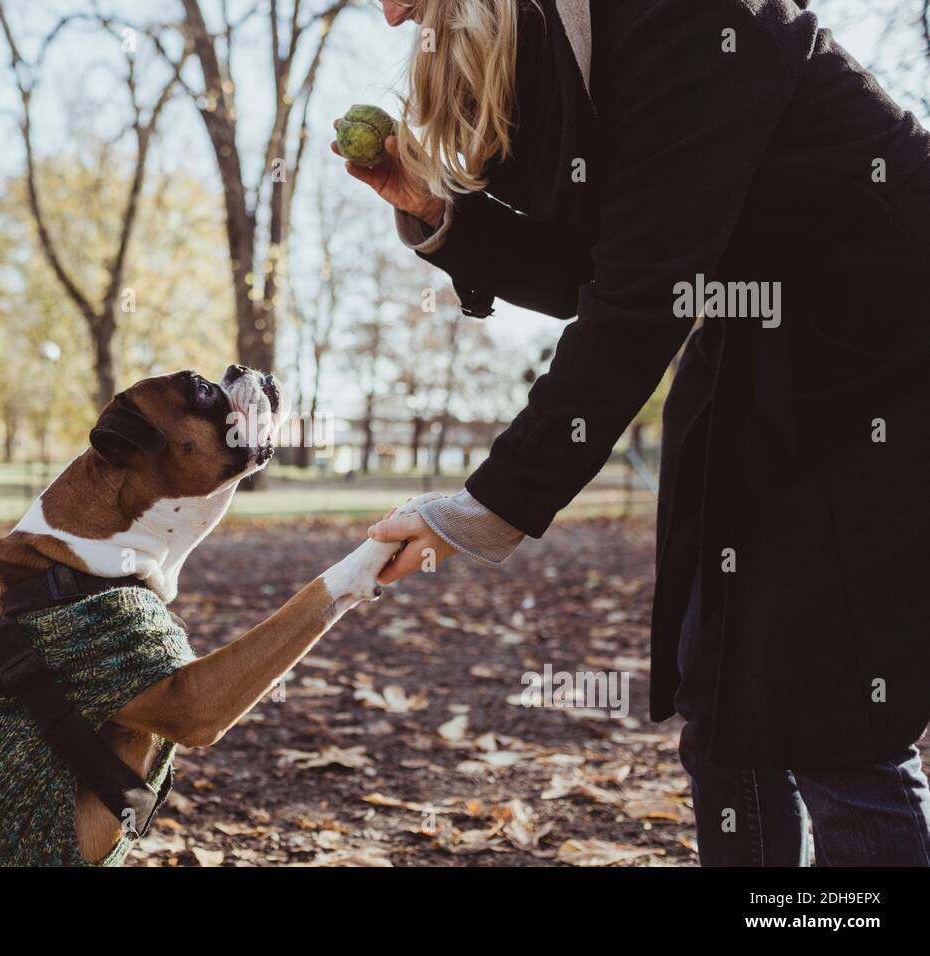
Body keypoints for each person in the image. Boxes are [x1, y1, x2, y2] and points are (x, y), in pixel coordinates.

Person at [340, 0, 930, 865]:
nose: (392, 14)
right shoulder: (581, 47)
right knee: (718, 683)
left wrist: (478, 509)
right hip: (751, 335)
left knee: (831, 705)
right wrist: (445, 218)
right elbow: (606, 270)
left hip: (891, 347)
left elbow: (638, 303)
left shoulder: (688, 17)